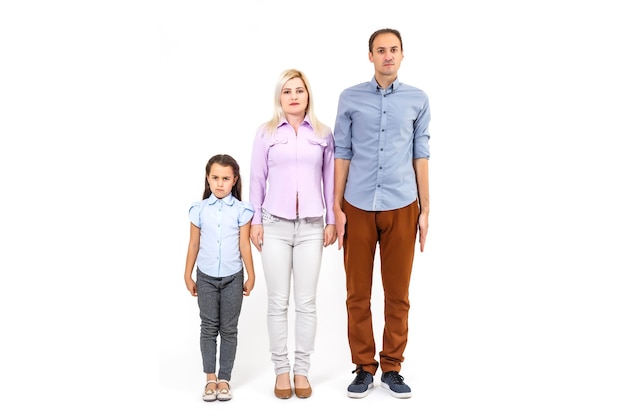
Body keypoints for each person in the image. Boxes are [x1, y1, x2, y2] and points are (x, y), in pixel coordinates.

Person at [333, 28, 431, 399]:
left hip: (403, 205)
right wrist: (337, 208)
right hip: (356, 206)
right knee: (357, 293)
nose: (387, 55)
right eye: (380, 50)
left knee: (398, 293)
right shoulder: (350, 98)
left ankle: (392, 366)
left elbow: (421, 155)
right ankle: (363, 367)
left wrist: (425, 209)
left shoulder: (417, 100)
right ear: (370, 56)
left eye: (393, 50)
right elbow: (342, 153)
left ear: (402, 55)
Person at [249, 69, 336, 399]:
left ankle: (302, 371)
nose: (294, 96)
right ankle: (281, 372)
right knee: (277, 302)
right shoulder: (266, 133)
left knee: (306, 302)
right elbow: (257, 179)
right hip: (274, 224)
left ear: (308, 95)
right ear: (279, 97)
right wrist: (255, 221)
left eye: (300, 90)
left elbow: (329, 180)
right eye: (287, 91)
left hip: (313, 226)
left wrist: (331, 221)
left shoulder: (324, 134)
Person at [184, 154, 256, 402]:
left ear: (234, 180)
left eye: (226, 178)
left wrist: (251, 274)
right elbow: (194, 244)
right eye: (215, 177)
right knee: (208, 327)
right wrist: (187, 273)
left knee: (228, 329)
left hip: (233, 277)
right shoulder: (199, 209)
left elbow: (244, 244)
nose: (220, 183)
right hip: (205, 277)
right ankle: (210, 378)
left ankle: (224, 378)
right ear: (207, 178)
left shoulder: (242, 210)